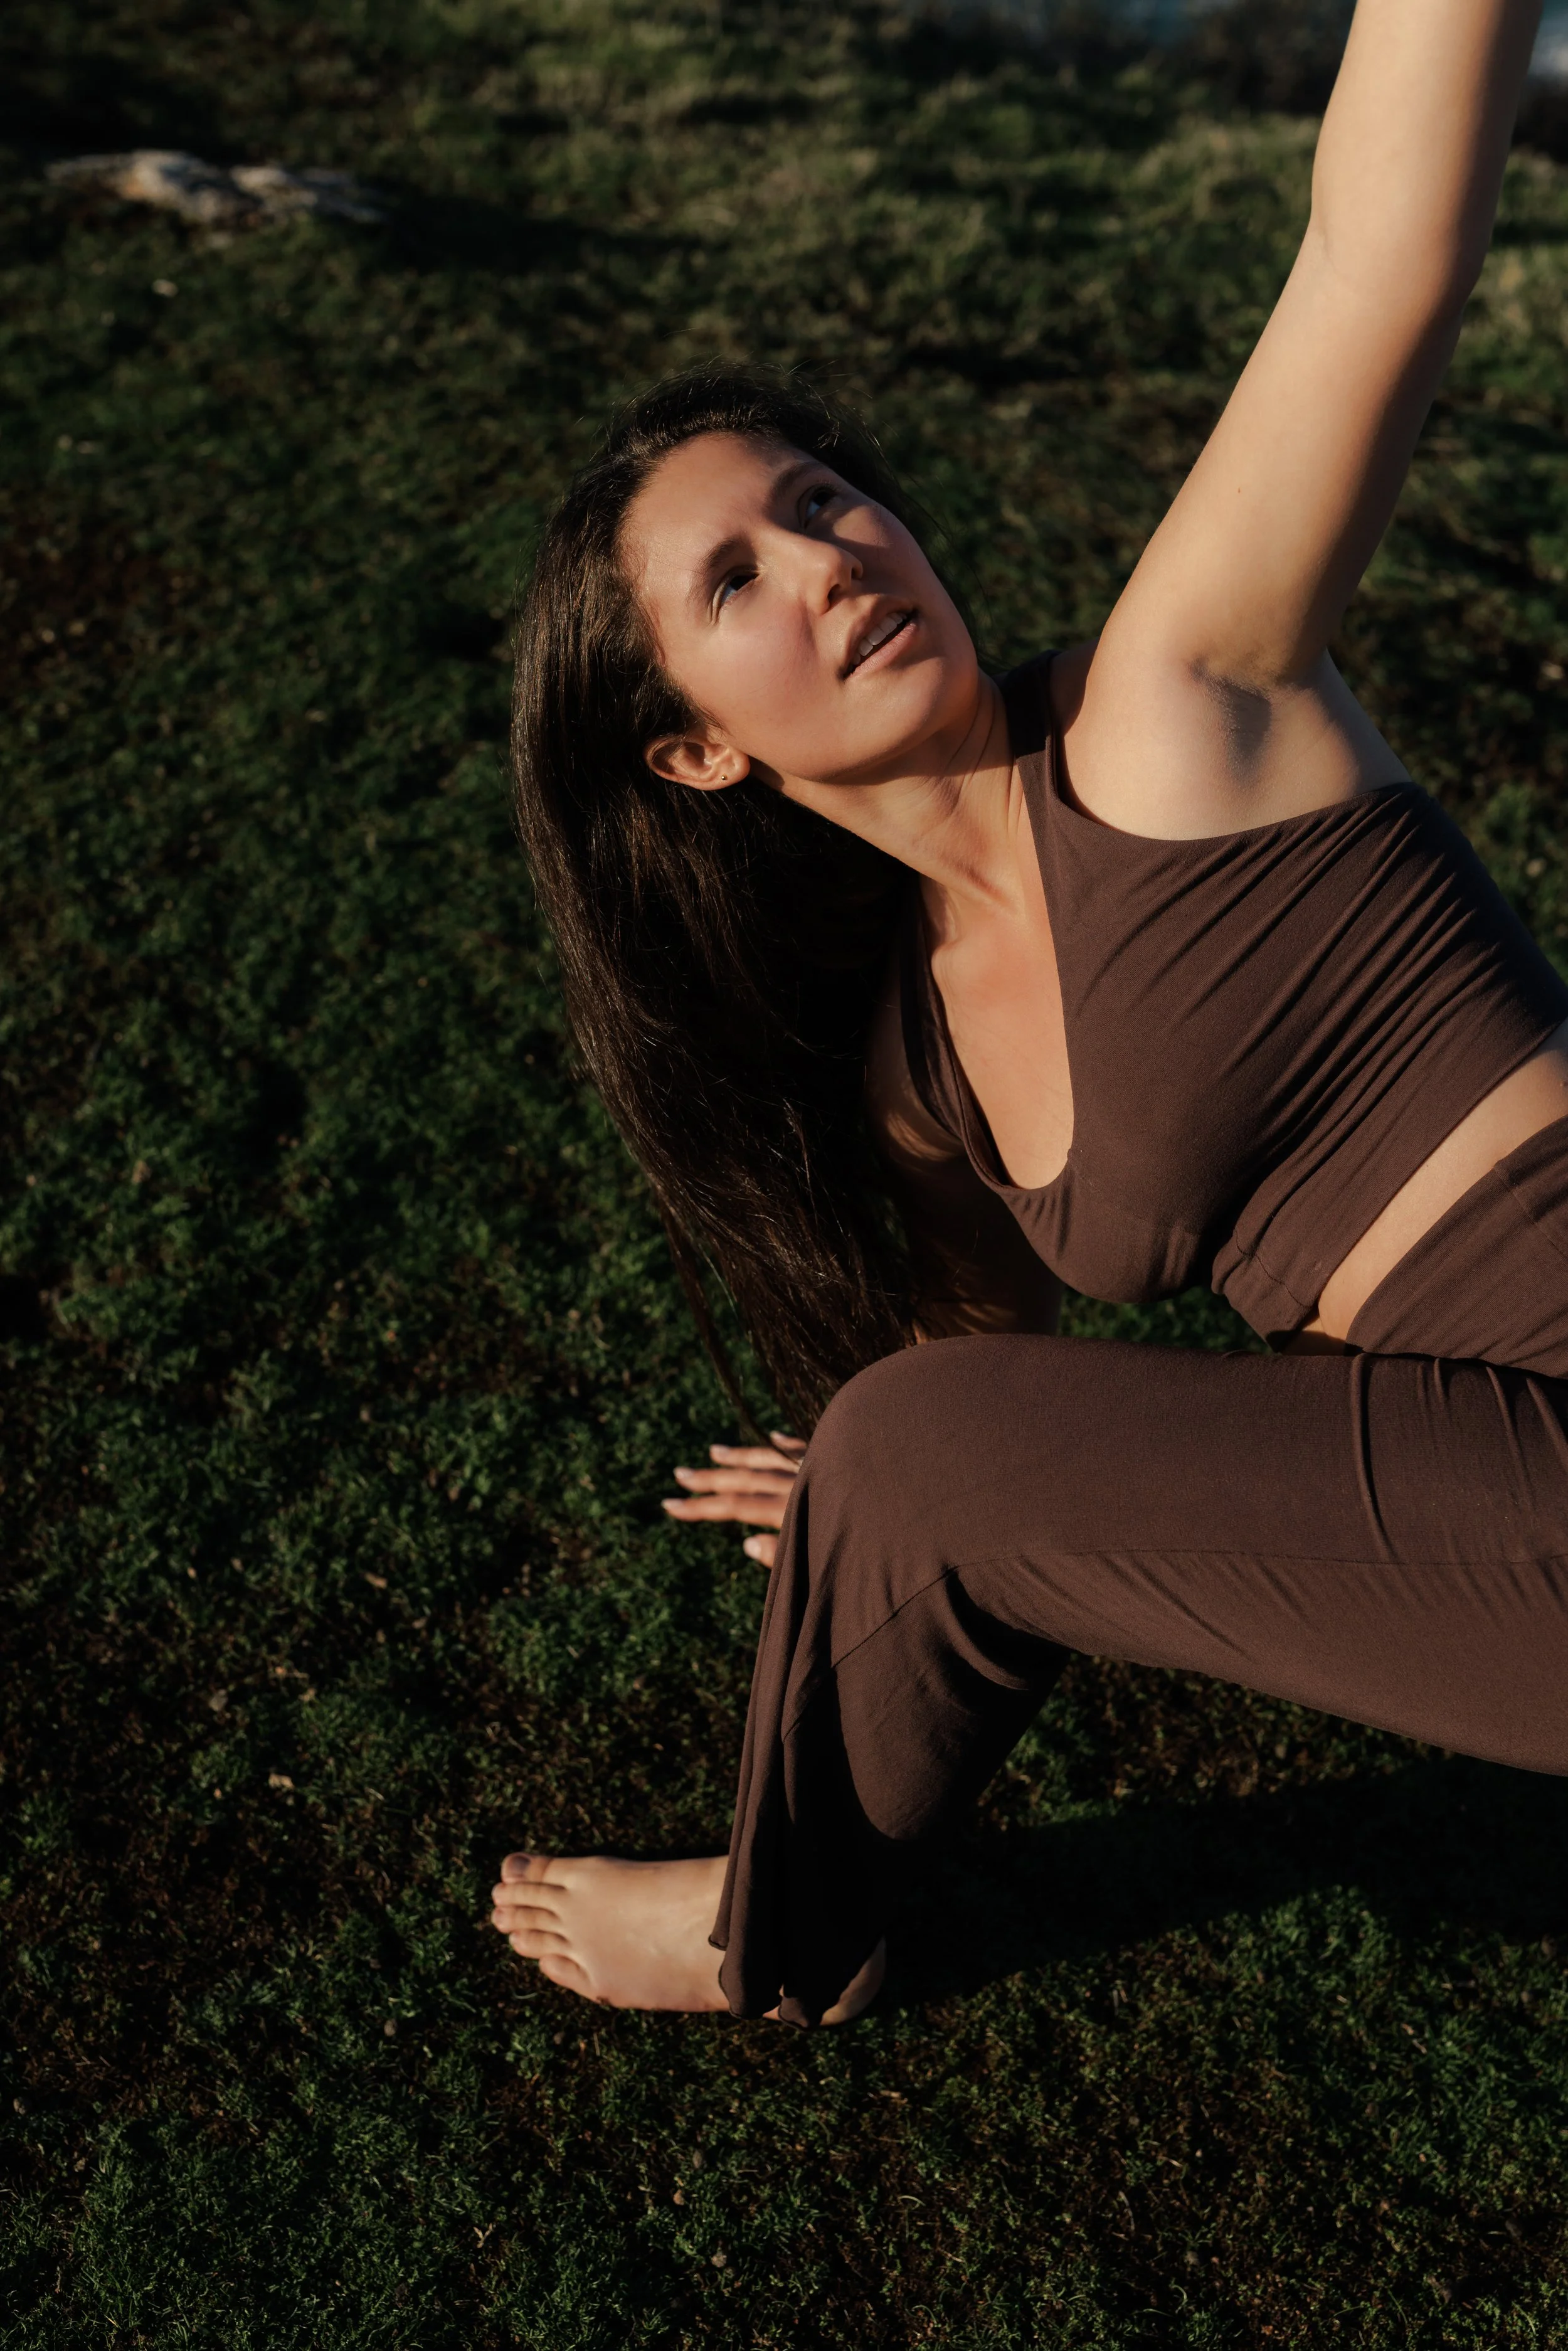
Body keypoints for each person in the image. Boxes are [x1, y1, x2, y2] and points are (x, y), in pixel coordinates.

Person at [494, 0, 1568, 2025]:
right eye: (736, 578)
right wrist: (856, 1528)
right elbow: (987, 1407)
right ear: (695, 759)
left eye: (819, 500)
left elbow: (1375, 251)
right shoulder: (914, 1064)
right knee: (905, 1454)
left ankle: (767, 1930)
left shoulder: (1170, 712)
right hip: (1484, 1480)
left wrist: (908, 1470)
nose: (828, 556)